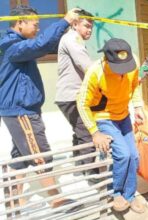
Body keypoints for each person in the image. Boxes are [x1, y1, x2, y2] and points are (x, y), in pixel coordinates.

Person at [0, 5, 81, 209]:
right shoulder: (12, 45)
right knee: (40, 153)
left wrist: (69, 31)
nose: (38, 28)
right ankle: (56, 199)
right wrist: (65, 21)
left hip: (20, 110)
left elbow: (45, 44)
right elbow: (40, 44)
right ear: (20, 23)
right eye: (35, 24)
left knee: (21, 157)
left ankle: (12, 200)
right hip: (21, 111)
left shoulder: (18, 44)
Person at [77, 38, 146, 213]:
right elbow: (82, 103)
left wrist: (138, 106)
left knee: (134, 156)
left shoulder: (133, 62)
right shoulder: (95, 71)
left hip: (123, 115)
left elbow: (135, 85)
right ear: (106, 60)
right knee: (123, 155)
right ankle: (114, 193)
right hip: (104, 116)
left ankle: (129, 195)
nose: (121, 72)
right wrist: (94, 132)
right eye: (117, 68)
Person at [55, 9, 96, 176]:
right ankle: (91, 176)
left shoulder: (74, 39)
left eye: (92, 27)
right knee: (88, 134)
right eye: (86, 26)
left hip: (69, 95)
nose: (90, 30)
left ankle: (79, 169)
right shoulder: (72, 39)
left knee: (80, 132)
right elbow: (87, 66)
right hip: (72, 96)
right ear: (75, 24)